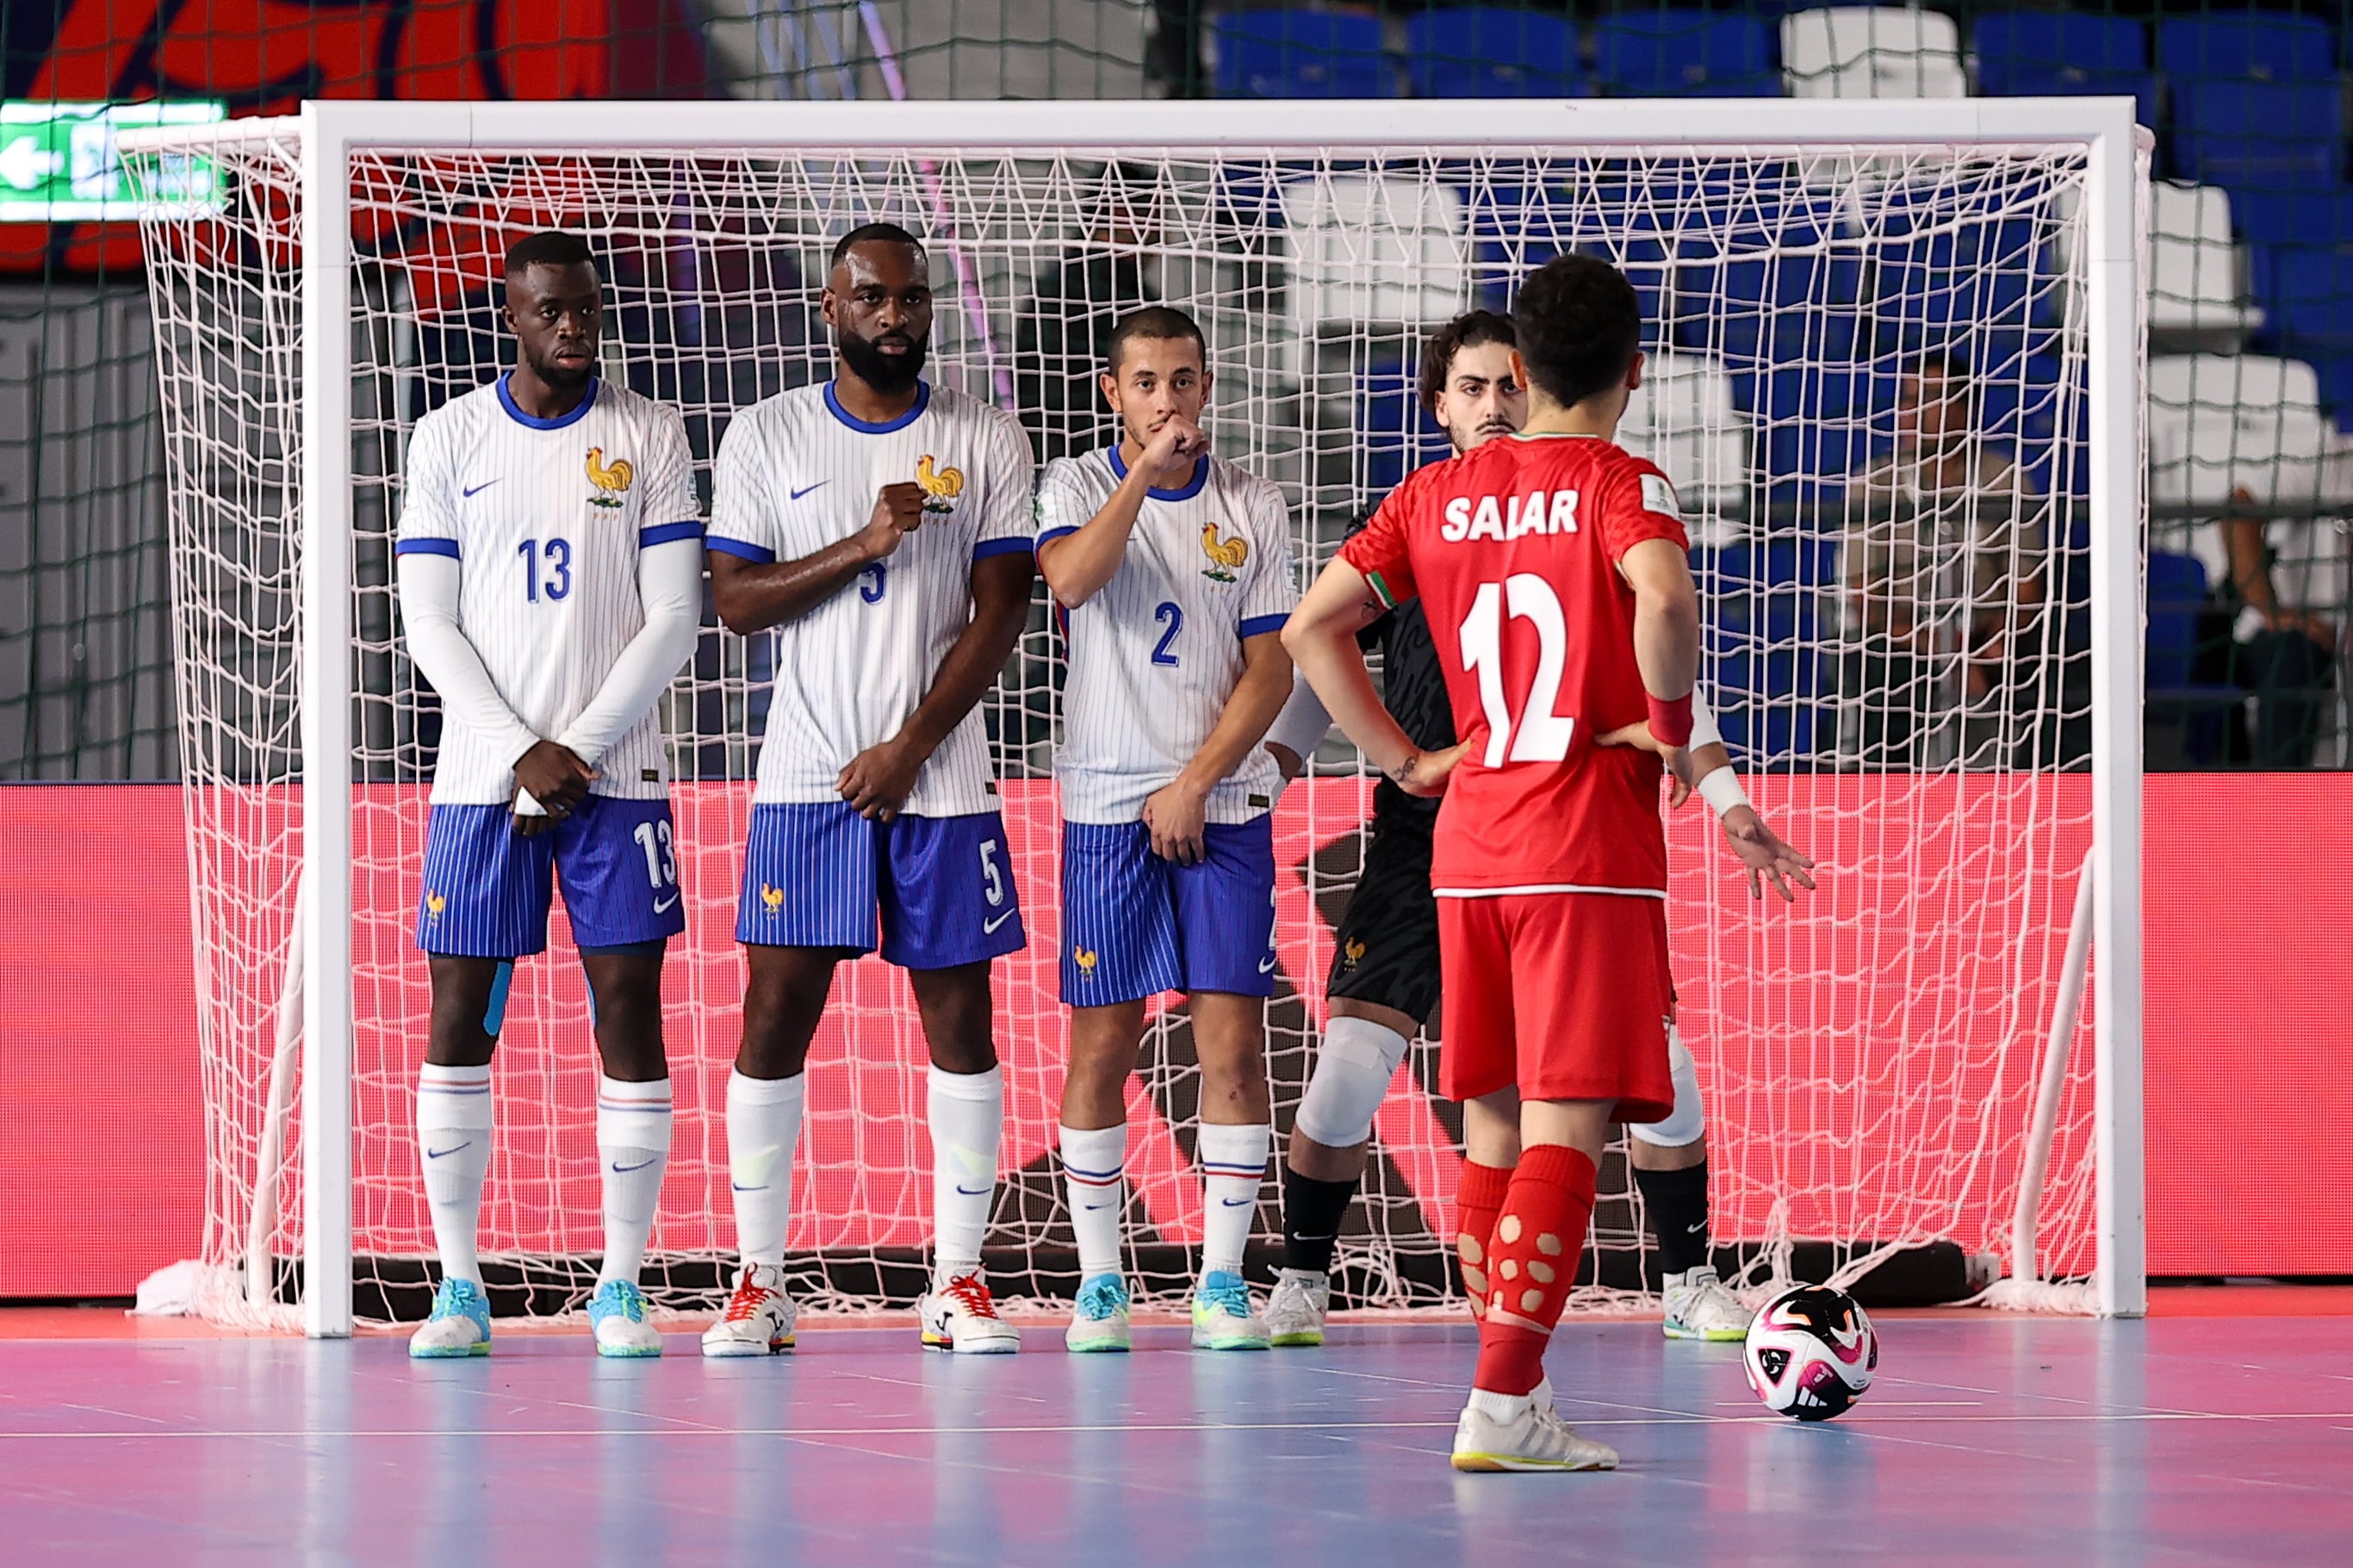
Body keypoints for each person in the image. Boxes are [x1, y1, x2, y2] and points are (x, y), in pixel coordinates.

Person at [1258, 311, 1813, 1350]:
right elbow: (1304, 668)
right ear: (1438, 406)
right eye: (1468, 389)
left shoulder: (1447, 513)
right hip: (1463, 842)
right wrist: (1363, 767)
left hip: (1481, 841)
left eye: (1506, 386)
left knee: (1579, 1099)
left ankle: (1667, 1282)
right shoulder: (1479, 510)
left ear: (1535, 387)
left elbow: (1310, 631)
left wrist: (1725, 795)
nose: (1491, 405)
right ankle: (1334, 1292)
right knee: (1394, 1088)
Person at [1285, 254, 1702, 1472]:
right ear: (1634, 371)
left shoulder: (1435, 493)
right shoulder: (1623, 481)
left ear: (1518, 371)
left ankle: (1509, 1392)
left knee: (1492, 1131)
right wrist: (1671, 728)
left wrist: (1404, 759)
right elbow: (1665, 602)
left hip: (1466, 850)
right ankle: (1505, 1402)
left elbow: (1314, 627)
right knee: (1569, 1129)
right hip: (1584, 844)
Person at [698, 223, 1036, 1357]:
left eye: (914, 299)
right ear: (830, 308)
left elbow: (1002, 617)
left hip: (940, 779)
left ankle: (957, 1281)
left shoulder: (986, 436)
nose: (899, 316)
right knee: (774, 1019)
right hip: (804, 781)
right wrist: (861, 541)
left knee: (961, 1023)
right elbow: (735, 602)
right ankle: (758, 1282)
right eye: (874, 298)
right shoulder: (768, 432)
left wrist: (908, 746)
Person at [396, 231, 705, 1360]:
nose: (572, 327)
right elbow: (429, 619)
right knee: (459, 1017)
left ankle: (619, 1284)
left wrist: (571, 745)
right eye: (549, 312)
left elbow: (674, 615)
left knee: (627, 1011)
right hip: (483, 784)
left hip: (616, 782)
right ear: (511, 318)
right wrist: (520, 747)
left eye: (585, 308)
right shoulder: (449, 437)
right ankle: (460, 1286)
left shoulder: (650, 431)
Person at [1035, 306, 1297, 1354]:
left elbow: (1271, 665)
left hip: (1216, 804)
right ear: (1114, 392)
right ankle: (1102, 1281)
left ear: (1205, 385)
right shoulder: (1072, 487)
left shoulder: (1253, 500)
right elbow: (1066, 582)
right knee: (1103, 1036)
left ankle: (1221, 1280)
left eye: (1182, 381)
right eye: (1145, 383)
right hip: (1103, 804)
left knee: (1230, 1040)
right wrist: (1140, 476)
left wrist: (1198, 781)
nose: (1167, 400)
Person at [1839, 349, 2047, 769]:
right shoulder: (1873, 484)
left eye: (1926, 400)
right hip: (1904, 642)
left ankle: (2040, 801)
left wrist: (1989, 644)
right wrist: (1947, 656)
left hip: (1987, 640)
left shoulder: (2006, 480)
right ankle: (1886, 799)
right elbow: (1868, 604)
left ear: (1963, 410)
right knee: (1878, 668)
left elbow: (2027, 592)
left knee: (2056, 658)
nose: (1910, 414)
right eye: (1906, 400)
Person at [2200, 486, 2338, 766]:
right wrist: (2272, 612)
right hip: (2297, 636)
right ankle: (2278, 798)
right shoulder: (2330, 456)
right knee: (2292, 655)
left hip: (2338, 640)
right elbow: (2238, 505)